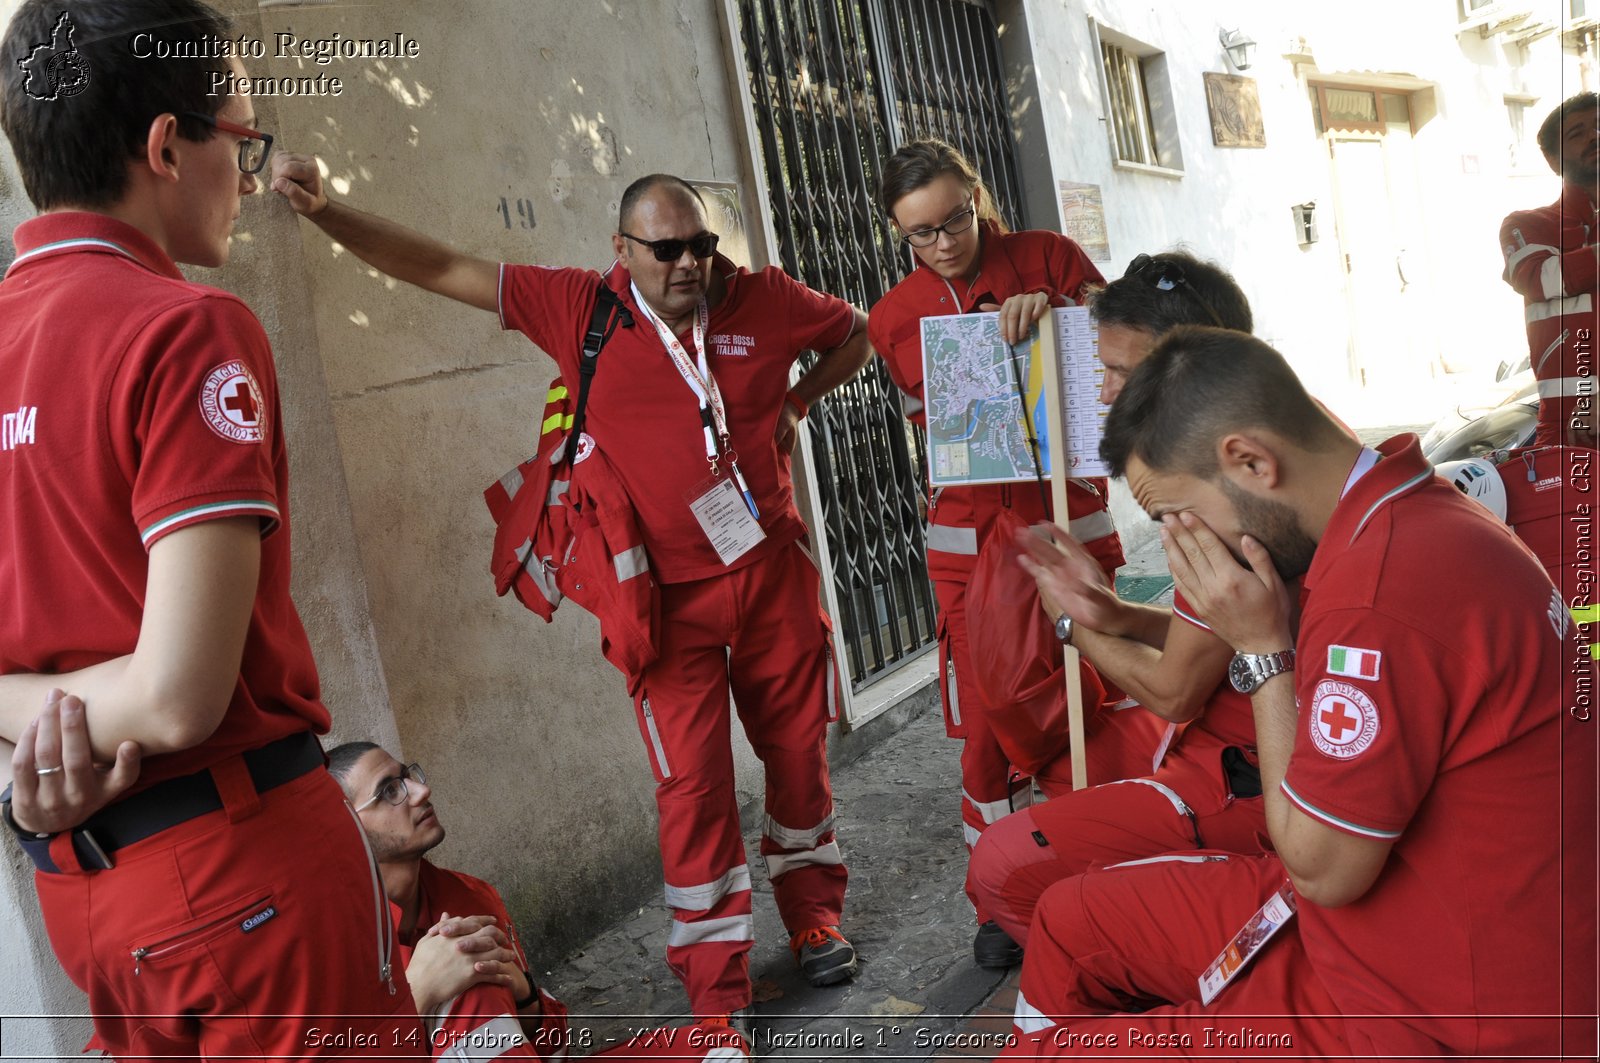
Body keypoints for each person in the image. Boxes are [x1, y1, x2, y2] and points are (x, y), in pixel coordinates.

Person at [270, 156, 872, 1020]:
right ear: (621, 248)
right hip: (664, 608)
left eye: (698, 245)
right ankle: (717, 998)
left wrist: (798, 402)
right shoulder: (579, 307)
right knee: (693, 794)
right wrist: (331, 209)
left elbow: (855, 332)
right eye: (663, 249)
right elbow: (441, 267)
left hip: (773, 576)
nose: (685, 265)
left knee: (800, 757)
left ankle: (815, 919)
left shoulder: (766, 299)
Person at [0, 2, 428, 1058]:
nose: (248, 172)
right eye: (240, 141)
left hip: (89, 890)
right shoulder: (184, 327)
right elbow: (179, 694)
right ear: (163, 146)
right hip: (244, 880)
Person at [1002, 326, 1577, 1058]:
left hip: (1424, 1008)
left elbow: (1320, 866)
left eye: (1177, 516)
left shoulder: (1383, 592)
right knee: (1068, 920)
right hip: (1379, 931)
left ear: (1250, 461)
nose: (1180, 544)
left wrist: (1261, 650)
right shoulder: (1393, 510)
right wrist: (1117, 616)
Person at [865, 138, 1135, 968]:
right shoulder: (892, 317)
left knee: (1098, 701)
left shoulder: (1046, 255)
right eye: (921, 234)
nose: (944, 242)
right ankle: (1002, 895)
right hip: (970, 551)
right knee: (990, 729)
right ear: (899, 234)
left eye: (955, 219)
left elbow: (1120, 345)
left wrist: (1055, 311)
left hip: (1069, 527)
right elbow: (946, 426)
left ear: (977, 196)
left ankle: (1107, 864)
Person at [967, 252, 1270, 946]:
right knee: (1070, 762)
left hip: (1247, 773)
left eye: (1119, 374)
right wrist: (1118, 614)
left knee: (1006, 867)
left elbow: (1175, 692)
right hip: (1223, 736)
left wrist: (1072, 620)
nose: (1103, 395)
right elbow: (1213, 630)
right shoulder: (1210, 461)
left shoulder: (1226, 492)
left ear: (1193, 369)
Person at [327, 742, 755, 1061]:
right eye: (389, 791)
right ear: (348, 829)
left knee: (716, 1049)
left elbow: (549, 1047)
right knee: (468, 989)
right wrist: (419, 994)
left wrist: (524, 992)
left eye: (409, 776)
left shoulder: (468, 896)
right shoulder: (333, 946)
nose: (420, 791)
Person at [1500, 91, 1600, 449]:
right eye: (1577, 133)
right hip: (1563, 433)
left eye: (1599, 126)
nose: (1594, 136)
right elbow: (1542, 278)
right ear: (1552, 160)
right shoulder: (1528, 224)